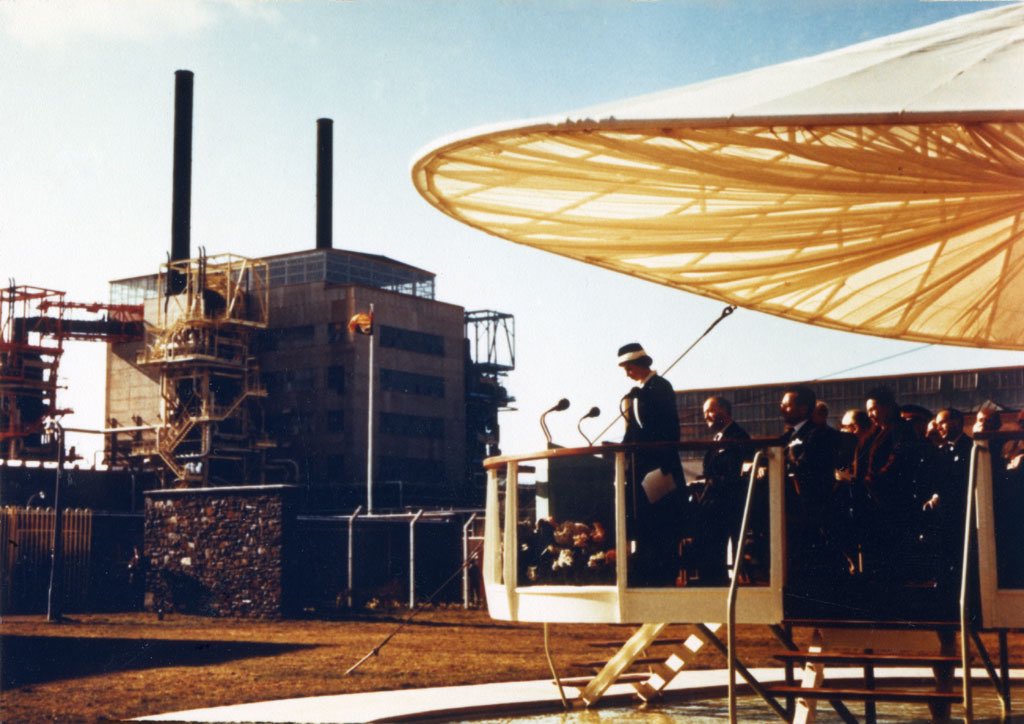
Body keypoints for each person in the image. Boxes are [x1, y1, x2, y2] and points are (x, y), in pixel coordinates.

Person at [618, 342, 686, 586]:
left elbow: (665, 428)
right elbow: (635, 430)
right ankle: (649, 577)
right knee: (647, 523)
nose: (626, 373)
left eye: (628, 367)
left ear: (638, 365)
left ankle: (663, 579)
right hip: (642, 468)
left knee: (662, 523)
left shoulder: (659, 388)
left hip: (659, 469)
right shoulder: (639, 393)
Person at [779, 385, 842, 599]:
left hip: (810, 504)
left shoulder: (817, 435)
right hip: (791, 504)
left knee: (814, 555)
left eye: (787, 405)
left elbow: (806, 467)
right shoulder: (788, 436)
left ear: (803, 408)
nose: (782, 408)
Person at [691, 395, 750, 585]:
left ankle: (715, 583)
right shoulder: (718, 438)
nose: (706, 416)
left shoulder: (738, 437)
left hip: (726, 506)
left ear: (724, 411)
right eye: (704, 412)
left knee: (714, 547)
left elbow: (733, 475)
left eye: (710, 411)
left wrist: (708, 484)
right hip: (712, 504)